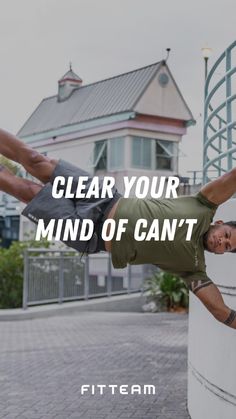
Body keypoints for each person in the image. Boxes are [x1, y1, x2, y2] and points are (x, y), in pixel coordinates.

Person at [0, 128, 236, 328]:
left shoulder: (193, 268)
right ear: (219, 223)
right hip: (105, 198)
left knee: (27, 191)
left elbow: (220, 311)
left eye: (226, 247)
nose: (221, 243)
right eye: (226, 235)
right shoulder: (203, 206)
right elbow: (232, 177)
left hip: (90, 234)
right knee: (35, 160)